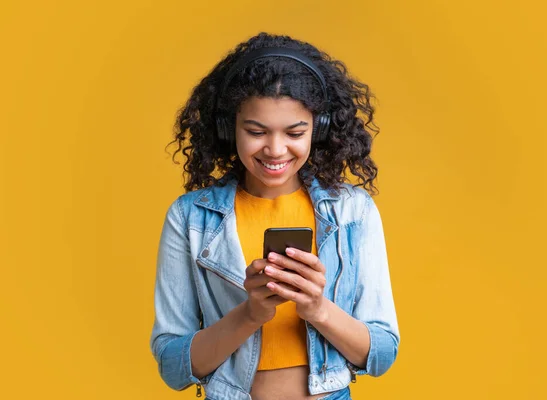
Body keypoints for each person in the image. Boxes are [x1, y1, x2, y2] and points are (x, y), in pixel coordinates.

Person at [150, 32, 400, 400]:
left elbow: (381, 353)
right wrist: (251, 314)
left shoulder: (353, 212)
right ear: (227, 128)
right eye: (256, 131)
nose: (276, 149)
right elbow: (173, 366)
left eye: (295, 132)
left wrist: (317, 308)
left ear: (320, 128)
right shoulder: (190, 219)